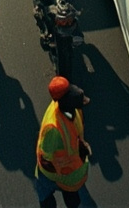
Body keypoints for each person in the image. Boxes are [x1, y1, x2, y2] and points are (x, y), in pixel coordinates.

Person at [35, 77, 91, 208]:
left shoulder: (71, 110)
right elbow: (47, 156)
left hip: (64, 174)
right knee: (67, 198)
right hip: (65, 175)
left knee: (45, 193)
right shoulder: (54, 129)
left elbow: (46, 155)